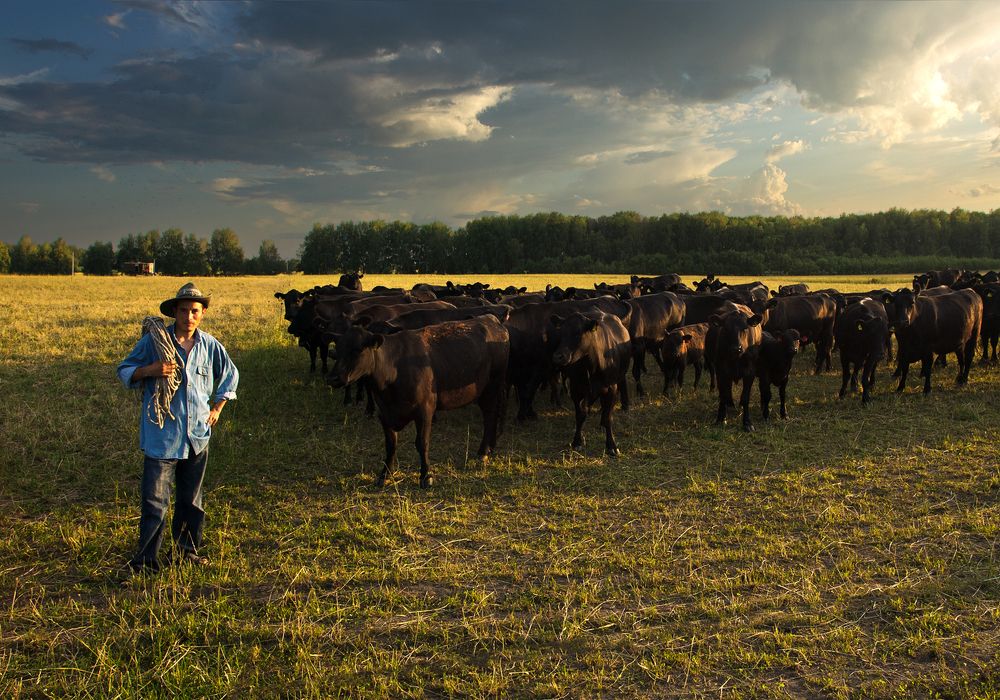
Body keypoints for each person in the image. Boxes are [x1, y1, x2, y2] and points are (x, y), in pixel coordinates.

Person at [117, 282, 239, 573]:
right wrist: (149, 370)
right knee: (155, 501)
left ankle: (186, 552)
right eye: (183, 310)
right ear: (174, 312)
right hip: (163, 436)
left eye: (195, 310)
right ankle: (146, 561)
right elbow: (123, 370)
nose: (189, 316)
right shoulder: (155, 342)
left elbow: (230, 376)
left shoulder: (210, 346)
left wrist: (217, 408)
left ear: (203, 313)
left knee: (191, 500)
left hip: (197, 434)